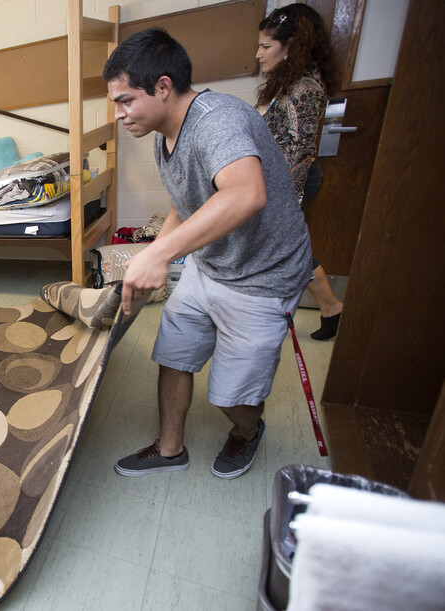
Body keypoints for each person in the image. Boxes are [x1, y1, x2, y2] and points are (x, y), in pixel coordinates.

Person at [104, 29, 313, 479]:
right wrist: (157, 252)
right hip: (210, 265)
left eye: (125, 101)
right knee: (174, 355)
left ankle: (247, 431)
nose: (119, 114)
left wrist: (162, 256)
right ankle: (169, 448)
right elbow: (189, 204)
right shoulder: (165, 135)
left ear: (163, 87)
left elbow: (246, 194)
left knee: (232, 396)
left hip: (263, 276)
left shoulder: (218, 121)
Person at [257, 4, 344, 340]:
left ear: (291, 46)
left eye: (266, 47)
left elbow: (301, 150)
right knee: (292, 248)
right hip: (276, 180)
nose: (259, 54)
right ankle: (331, 307)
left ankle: (325, 308)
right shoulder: (287, 80)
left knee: (287, 248)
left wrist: (285, 203)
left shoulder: (305, 88)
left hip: (291, 180)